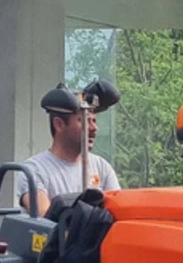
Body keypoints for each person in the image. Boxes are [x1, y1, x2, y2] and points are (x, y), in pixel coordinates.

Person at [19, 85, 120, 216]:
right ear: (59, 124)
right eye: (84, 120)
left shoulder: (102, 167)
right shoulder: (33, 170)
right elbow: (45, 217)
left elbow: (118, 211)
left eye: (94, 121)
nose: (94, 128)